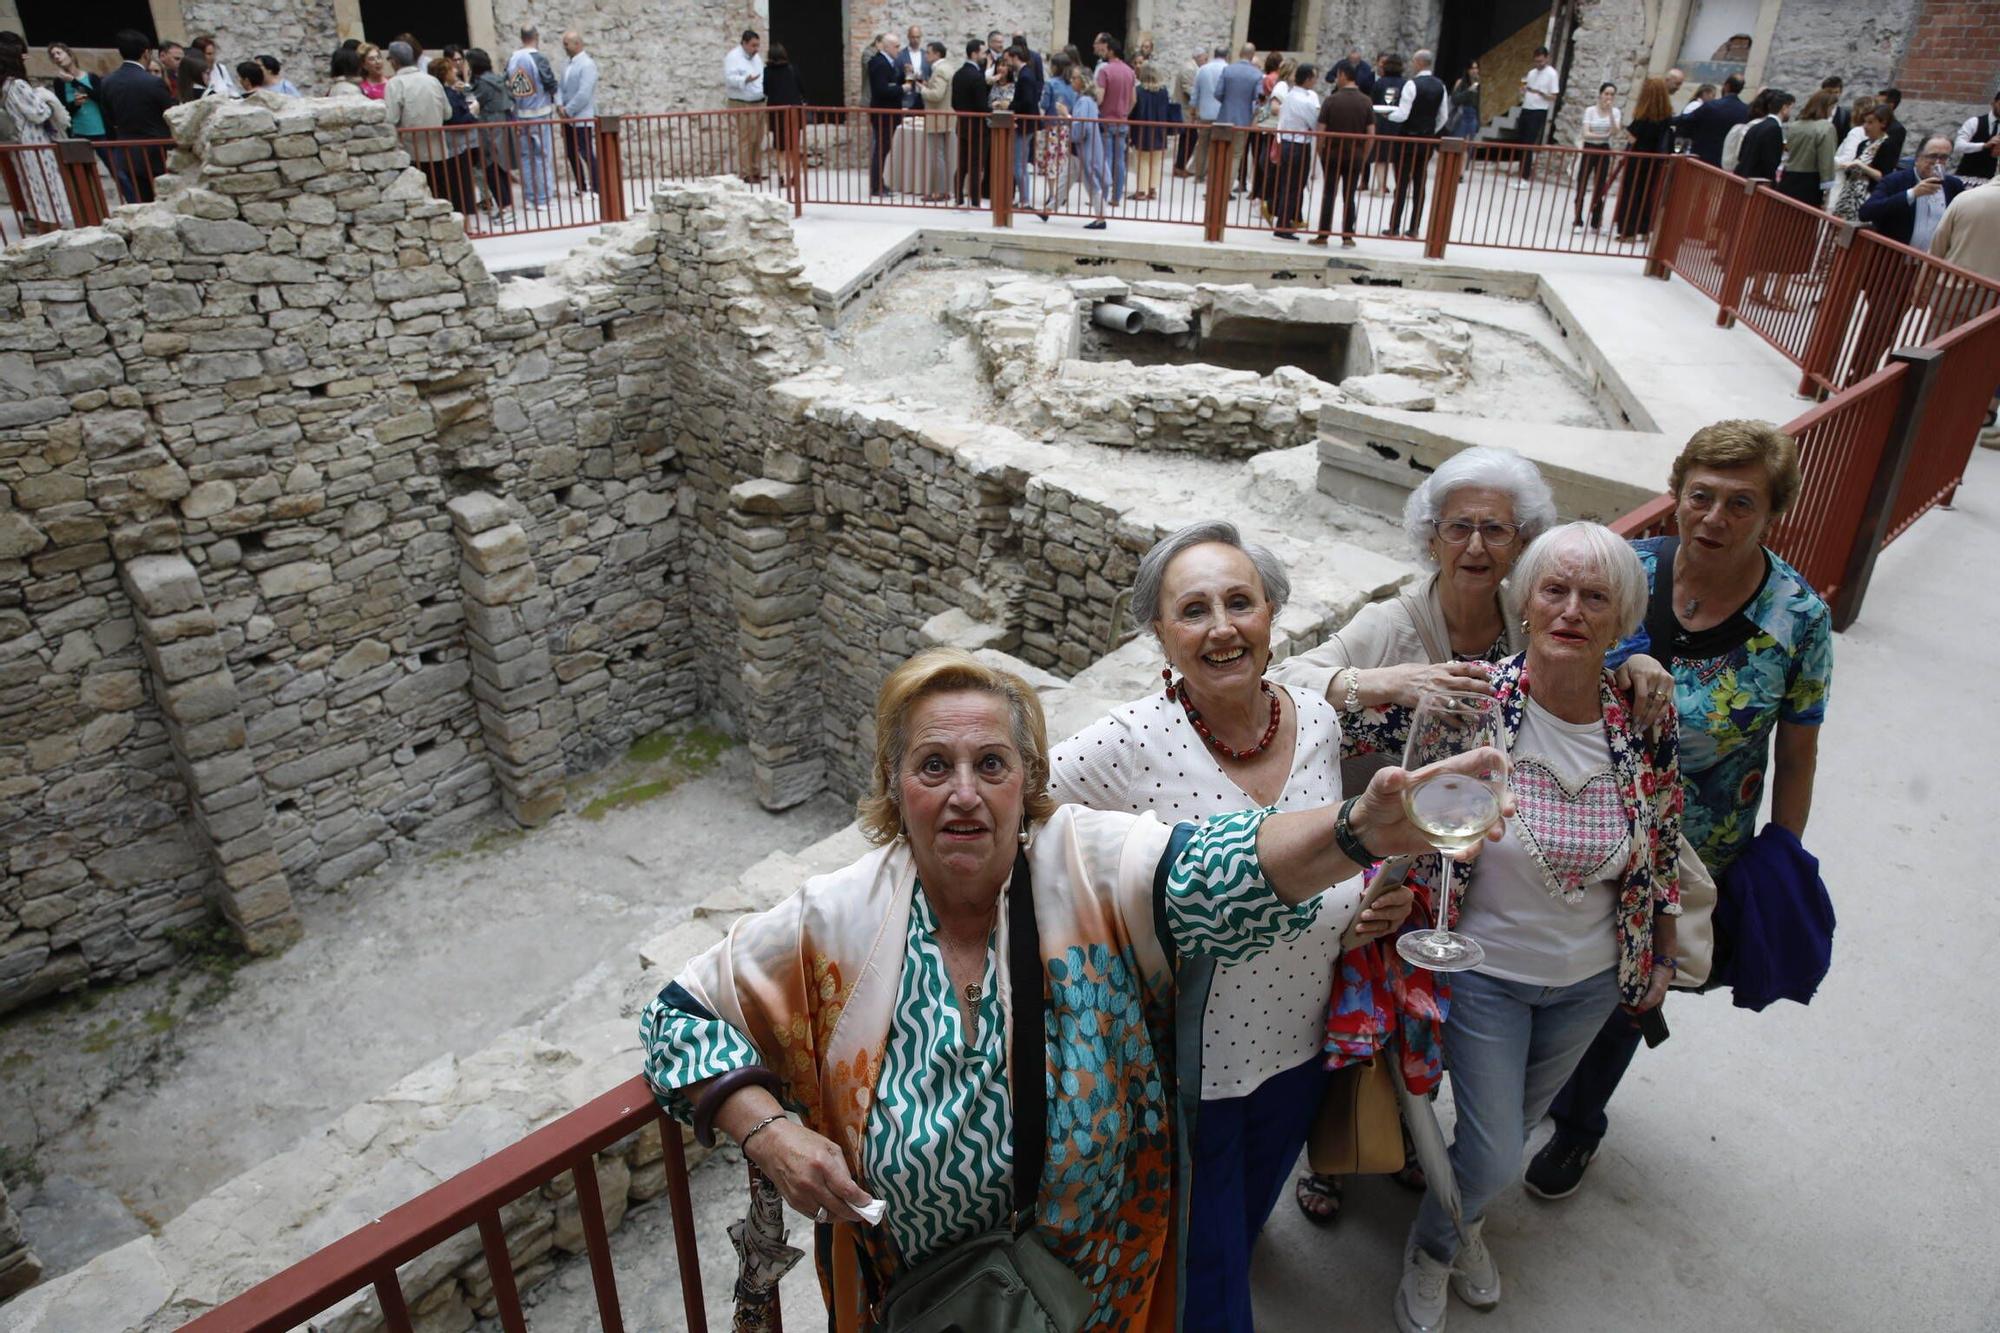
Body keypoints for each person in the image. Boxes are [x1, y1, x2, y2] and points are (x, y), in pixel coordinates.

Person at [640, 647, 1481, 1332]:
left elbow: (1220, 867)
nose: (964, 790)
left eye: (990, 763)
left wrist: (1355, 831)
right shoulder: (834, 920)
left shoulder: (1094, 867)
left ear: (1028, 780)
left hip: (1092, 1296)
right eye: (934, 765)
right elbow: (677, 1017)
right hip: (916, 1306)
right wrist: (771, 1130)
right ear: (895, 783)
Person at [1049, 525, 1415, 1329]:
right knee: (1211, 1280)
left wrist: (1362, 900)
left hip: (1302, 1043)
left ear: (1272, 612)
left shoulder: (1315, 717)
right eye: (1194, 609)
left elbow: (1313, 843)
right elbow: (1027, 814)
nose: (1222, 626)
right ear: (1161, 634)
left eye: (1239, 601)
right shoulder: (1127, 741)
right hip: (1192, 1067)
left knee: (1243, 1220)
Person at [1390, 522, 1682, 1333]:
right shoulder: (1478, 699)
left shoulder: (1642, 713)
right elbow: (1398, 788)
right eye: (1554, 590)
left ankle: (1462, 1223)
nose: (1571, 610)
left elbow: (1658, 835)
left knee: (1513, 1132)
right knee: (1490, 1153)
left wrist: (1660, 951)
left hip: (1588, 978)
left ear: (1624, 615)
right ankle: (1432, 1249)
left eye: (1596, 596)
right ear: (1523, 599)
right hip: (1483, 965)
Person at [1536, 421, 1831, 1200]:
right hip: (1581, 816)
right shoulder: (1624, 569)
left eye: (1741, 503)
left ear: (1773, 513)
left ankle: (1577, 1123)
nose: (1714, 518)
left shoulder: (1798, 617)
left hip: (1694, 845)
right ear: (1678, 492)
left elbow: (1797, 750)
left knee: (1635, 984)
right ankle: (1530, 1092)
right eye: (1700, 496)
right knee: (1557, 966)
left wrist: (1780, 854)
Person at [0, 46, 69, 230]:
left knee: (36, 187)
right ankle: (54, 228)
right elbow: (39, 113)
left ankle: (45, 226)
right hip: (36, 141)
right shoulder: (17, 85)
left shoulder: (5, 86)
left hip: (24, 141)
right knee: (48, 185)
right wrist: (44, 96)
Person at [1859, 135, 1971, 249]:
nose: (1937, 163)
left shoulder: (1953, 185)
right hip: (1895, 258)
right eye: (1932, 156)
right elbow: (1866, 212)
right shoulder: (1895, 180)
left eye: (1943, 158)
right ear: (1917, 158)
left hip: (1931, 261)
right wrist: (1911, 194)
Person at [101, 29, 174, 204]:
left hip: (127, 153)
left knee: (143, 203)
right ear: (146, 52)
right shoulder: (153, 82)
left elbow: (108, 119)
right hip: (158, 153)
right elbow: (171, 114)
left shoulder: (107, 82)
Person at [1311, 59, 1375, 247]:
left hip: (1332, 153)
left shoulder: (1331, 100)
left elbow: (1321, 130)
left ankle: (1323, 235)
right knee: (1350, 194)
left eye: (1338, 75)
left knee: (1329, 193)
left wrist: (1320, 152)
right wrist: (1363, 155)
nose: (1336, 79)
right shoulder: (1366, 102)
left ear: (1344, 76)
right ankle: (1347, 235)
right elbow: (1371, 134)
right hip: (1355, 154)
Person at [1385, 49, 1448, 238]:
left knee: (1402, 182)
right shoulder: (1441, 86)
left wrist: (1388, 115)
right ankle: (1414, 228)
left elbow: (1403, 114)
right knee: (1420, 183)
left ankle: (1394, 226)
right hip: (1426, 139)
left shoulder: (1412, 85)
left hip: (1408, 138)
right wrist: (1430, 132)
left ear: (1419, 63)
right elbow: (1443, 116)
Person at [1614, 76, 1675, 241]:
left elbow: (1633, 138)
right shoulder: (1666, 116)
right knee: (1646, 193)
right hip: (1654, 160)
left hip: (1638, 158)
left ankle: (1628, 231)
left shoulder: (1642, 116)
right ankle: (1644, 229)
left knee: (1631, 192)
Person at [383, 41, 451, 188]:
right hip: (439, 151)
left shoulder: (395, 83)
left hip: (412, 153)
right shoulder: (432, 80)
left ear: (393, 61)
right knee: (442, 193)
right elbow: (447, 114)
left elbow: (391, 118)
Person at [506, 26, 558, 208]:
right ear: (536, 36)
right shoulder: (539, 59)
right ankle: (543, 198)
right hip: (540, 114)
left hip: (521, 116)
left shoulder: (512, 59)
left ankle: (529, 198)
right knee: (542, 157)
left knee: (526, 157)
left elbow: (509, 85)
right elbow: (550, 82)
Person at [1270, 63, 1320, 239]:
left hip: (1287, 143)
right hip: (1298, 146)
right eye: (1314, 78)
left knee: (1287, 184)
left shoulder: (1291, 96)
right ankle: (1283, 224)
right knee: (1294, 186)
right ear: (1307, 79)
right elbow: (1314, 124)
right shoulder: (1304, 101)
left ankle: (1285, 220)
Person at [466, 48, 514, 225]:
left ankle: (505, 208)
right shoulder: (496, 79)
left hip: (489, 130)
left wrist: (463, 87)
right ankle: (505, 207)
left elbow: (472, 101)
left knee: (493, 169)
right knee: (499, 169)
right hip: (500, 127)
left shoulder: (483, 84)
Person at [428, 55, 479, 217]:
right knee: (461, 186)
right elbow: (456, 120)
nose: (455, 71)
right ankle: (467, 226)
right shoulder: (448, 94)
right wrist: (473, 112)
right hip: (456, 145)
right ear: (445, 73)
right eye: (451, 69)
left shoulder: (448, 91)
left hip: (453, 145)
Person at [553, 30, 598, 195]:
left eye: (567, 43)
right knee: (571, 152)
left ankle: (597, 186)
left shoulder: (587, 64)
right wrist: (559, 105)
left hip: (581, 116)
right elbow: (560, 87)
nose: (564, 47)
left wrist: (568, 110)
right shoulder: (566, 64)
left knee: (586, 152)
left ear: (577, 44)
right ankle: (581, 186)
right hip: (567, 117)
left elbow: (584, 93)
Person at [1830, 98, 1890, 221]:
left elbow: (1883, 175)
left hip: (1865, 196)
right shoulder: (1864, 143)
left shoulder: (1886, 145)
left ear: (1882, 124)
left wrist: (1859, 165)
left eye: (1870, 123)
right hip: (1848, 194)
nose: (1865, 126)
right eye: (1865, 122)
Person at [1670, 72, 1747, 168]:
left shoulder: (1711, 106)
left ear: (1727, 86)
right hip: (1724, 163)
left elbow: (1686, 119)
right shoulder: (1745, 111)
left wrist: (1666, 119)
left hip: (1702, 159)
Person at [1573, 81, 1622, 231]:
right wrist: (1602, 135)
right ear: (1600, 94)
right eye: (1606, 93)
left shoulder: (1615, 112)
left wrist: (1611, 114)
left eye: (1612, 94)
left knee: (1600, 185)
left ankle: (1596, 221)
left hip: (1604, 149)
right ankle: (1577, 220)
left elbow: (1615, 132)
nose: (1609, 97)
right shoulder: (1590, 111)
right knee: (1582, 184)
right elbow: (1586, 132)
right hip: (1589, 148)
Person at [1778, 86, 1837, 208]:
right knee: (1803, 224)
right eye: (1832, 107)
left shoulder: (1795, 126)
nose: (1832, 111)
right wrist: (1827, 188)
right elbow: (1826, 162)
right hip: (1809, 182)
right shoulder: (1826, 128)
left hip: (1788, 176)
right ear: (1826, 107)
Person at [47, 44, 106, 165]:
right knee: (83, 172)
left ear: (69, 54)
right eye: (53, 55)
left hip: (100, 131)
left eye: (59, 53)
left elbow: (100, 97)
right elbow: (62, 110)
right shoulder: (59, 82)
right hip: (77, 133)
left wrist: (73, 81)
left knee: (117, 169)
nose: (57, 57)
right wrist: (75, 104)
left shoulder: (91, 77)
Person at [1093, 33, 1134, 205]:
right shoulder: (1130, 71)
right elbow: (1133, 99)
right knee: (1120, 161)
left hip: (1106, 119)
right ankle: (1116, 197)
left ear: (1110, 51)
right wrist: (1125, 112)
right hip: (1122, 120)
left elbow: (1100, 98)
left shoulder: (1105, 71)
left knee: (1107, 159)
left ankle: (1103, 195)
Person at [1216, 44, 1261, 194]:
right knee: (1236, 155)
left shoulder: (1228, 69)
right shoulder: (1256, 74)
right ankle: (1226, 190)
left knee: (1221, 152)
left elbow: (1218, 93)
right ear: (1252, 55)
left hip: (1224, 117)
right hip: (1243, 120)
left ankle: (1216, 187)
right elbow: (1258, 98)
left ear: (1240, 53)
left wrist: (1227, 103)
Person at [722, 28, 764, 185]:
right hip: (742, 102)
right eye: (753, 45)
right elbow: (729, 79)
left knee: (758, 138)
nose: (756, 49)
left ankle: (756, 169)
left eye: (757, 45)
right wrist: (745, 80)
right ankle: (746, 172)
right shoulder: (733, 57)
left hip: (758, 100)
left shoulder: (756, 57)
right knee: (746, 138)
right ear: (744, 43)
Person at [950, 39, 988, 206]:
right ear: (974, 54)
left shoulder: (958, 74)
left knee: (963, 161)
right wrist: (992, 109)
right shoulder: (977, 77)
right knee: (976, 164)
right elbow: (981, 105)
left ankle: (958, 196)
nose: (984, 56)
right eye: (982, 52)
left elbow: (954, 103)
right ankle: (974, 199)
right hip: (977, 127)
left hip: (963, 123)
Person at [1005, 43, 1043, 209]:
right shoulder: (1026, 73)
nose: (1007, 64)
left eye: (1008, 60)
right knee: (1020, 162)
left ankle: (1025, 200)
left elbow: (1026, 101)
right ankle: (1024, 199)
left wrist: (1009, 105)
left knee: (1018, 163)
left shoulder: (1025, 75)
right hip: (1026, 124)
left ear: (1015, 57)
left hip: (1024, 125)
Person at [1514, 45, 1559, 184]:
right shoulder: (1531, 72)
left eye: (1541, 61)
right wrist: (1522, 91)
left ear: (1547, 58)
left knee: (1529, 143)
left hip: (1539, 110)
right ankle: (1520, 172)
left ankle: (1525, 177)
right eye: (1536, 61)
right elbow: (1524, 89)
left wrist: (1540, 92)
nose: (1539, 64)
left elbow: (1553, 96)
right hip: (1526, 108)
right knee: (1521, 141)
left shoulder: (1552, 74)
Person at [1130, 60, 1173, 202]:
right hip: (1160, 128)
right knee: (1156, 161)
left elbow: (1134, 110)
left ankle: (1141, 190)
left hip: (1142, 129)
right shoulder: (1164, 91)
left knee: (1142, 160)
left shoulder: (1139, 90)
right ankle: (1153, 189)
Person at [866, 32, 903, 197]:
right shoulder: (880, 63)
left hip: (888, 114)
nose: (898, 50)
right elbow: (882, 90)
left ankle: (879, 183)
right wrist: (902, 89)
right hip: (883, 114)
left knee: (883, 149)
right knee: (880, 150)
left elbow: (891, 81)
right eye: (896, 46)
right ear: (886, 47)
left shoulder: (887, 62)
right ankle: (876, 186)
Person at [763, 43, 804, 191]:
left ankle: (781, 176)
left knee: (779, 147)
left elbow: (765, 90)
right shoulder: (792, 69)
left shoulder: (767, 71)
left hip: (776, 111)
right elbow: (801, 88)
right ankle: (794, 176)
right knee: (793, 145)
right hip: (793, 111)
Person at [917, 41, 954, 203]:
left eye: (928, 52)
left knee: (937, 156)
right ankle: (943, 189)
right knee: (942, 155)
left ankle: (939, 191)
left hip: (938, 117)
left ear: (937, 54)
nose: (926, 55)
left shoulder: (939, 71)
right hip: (945, 116)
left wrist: (922, 90)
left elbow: (937, 95)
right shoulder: (947, 67)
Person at [1369, 53, 1406, 194]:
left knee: (1381, 157)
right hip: (1400, 124)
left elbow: (1373, 102)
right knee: (1400, 158)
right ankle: (1401, 188)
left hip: (1382, 123)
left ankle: (1380, 187)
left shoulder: (1379, 83)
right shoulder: (1406, 84)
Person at [1736, 88, 1790, 180]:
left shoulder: (1756, 125)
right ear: (1784, 108)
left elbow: (1741, 154)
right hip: (1757, 180)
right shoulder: (1774, 129)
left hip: (1743, 175)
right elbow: (1770, 161)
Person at [1190, 45, 1225, 183]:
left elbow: (1195, 93)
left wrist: (1193, 111)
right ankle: (1213, 174)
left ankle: (1198, 175)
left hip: (1205, 113)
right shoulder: (1227, 70)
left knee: (1202, 145)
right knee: (1217, 145)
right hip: (1222, 115)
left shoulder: (1202, 70)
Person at [1172, 47, 1207, 175]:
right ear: (1198, 57)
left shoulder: (1192, 68)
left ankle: (1180, 166)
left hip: (1188, 111)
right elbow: (1189, 90)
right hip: (1186, 110)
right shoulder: (1189, 69)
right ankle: (1179, 167)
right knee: (1189, 137)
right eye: (1204, 58)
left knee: (1187, 138)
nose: (1205, 61)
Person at [1952, 89, 1999, 180]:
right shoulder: (1974, 122)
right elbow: (1958, 146)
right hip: (1966, 176)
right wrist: (1984, 145)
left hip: (1990, 180)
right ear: (1993, 103)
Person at [195, 34, 238, 99]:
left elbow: (232, 91)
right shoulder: (192, 72)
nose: (213, 57)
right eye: (209, 54)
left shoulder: (220, 68)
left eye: (213, 53)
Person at [1447, 60, 1480, 140]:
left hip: (1473, 116)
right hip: (1461, 115)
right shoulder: (1461, 82)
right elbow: (1454, 99)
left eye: (1476, 68)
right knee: (1457, 142)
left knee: (1469, 144)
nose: (1474, 71)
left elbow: (1477, 104)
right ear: (1468, 70)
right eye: (1472, 68)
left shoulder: (1478, 84)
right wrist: (1468, 91)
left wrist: (1478, 121)